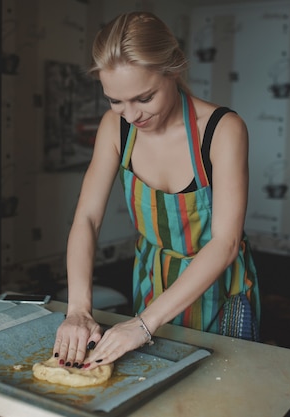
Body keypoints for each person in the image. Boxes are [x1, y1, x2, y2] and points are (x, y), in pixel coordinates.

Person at [53, 11, 260, 371]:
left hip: (220, 294)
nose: (130, 115)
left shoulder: (223, 130)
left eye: (144, 97)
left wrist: (144, 324)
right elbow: (86, 218)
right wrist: (78, 310)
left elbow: (225, 243)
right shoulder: (115, 128)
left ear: (173, 69)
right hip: (151, 285)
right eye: (115, 101)